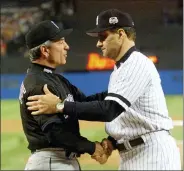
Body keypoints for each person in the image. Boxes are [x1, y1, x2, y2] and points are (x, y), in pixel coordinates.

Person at [26, 9, 181, 170]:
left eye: (103, 36)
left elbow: (109, 109)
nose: (98, 43)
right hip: (134, 153)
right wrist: (112, 142)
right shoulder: (121, 69)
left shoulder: (136, 64)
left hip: (151, 154)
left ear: (121, 34)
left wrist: (59, 106)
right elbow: (124, 112)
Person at [19, 20, 110, 170]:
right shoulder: (38, 84)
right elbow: (56, 133)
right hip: (51, 161)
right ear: (45, 50)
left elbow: (85, 103)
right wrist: (92, 147)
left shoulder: (54, 78)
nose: (67, 46)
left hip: (59, 160)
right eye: (61, 42)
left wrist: (119, 92)